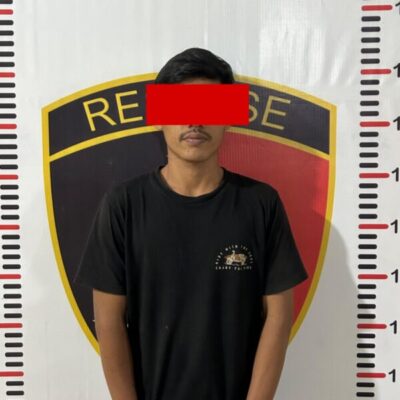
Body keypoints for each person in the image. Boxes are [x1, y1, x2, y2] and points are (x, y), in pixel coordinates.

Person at [73, 47, 308, 400]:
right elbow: (108, 323)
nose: (194, 121)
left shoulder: (261, 204)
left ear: (228, 117)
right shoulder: (123, 206)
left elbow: (278, 316)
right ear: (159, 117)